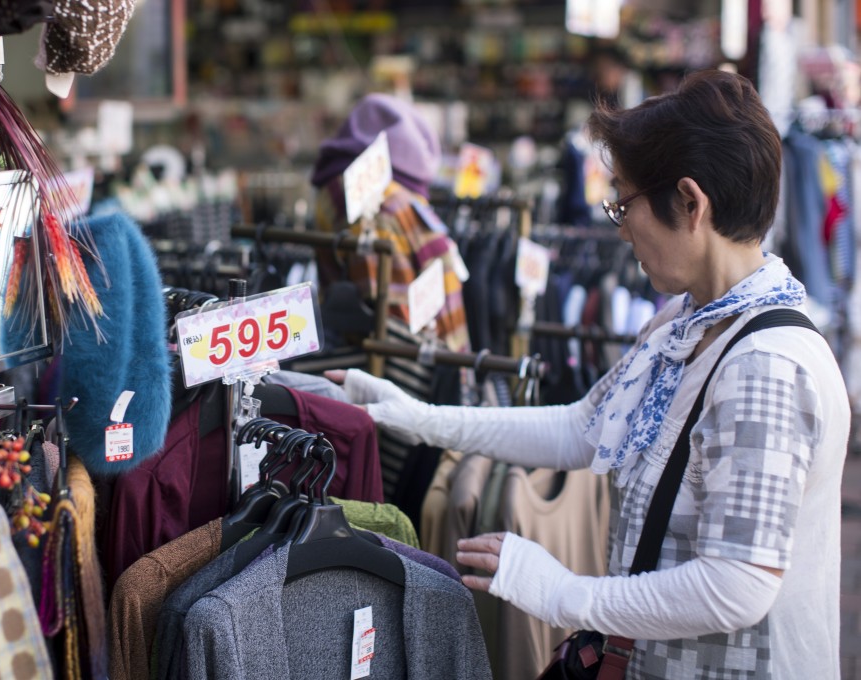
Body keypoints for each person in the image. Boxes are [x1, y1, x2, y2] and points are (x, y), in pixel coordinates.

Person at [328, 70, 849, 679]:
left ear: (690, 202)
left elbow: (738, 583)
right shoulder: (684, 322)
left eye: (624, 203)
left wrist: (562, 592)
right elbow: (583, 427)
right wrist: (419, 418)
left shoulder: (765, 367)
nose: (620, 226)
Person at [310, 92, 471, 352]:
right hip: (406, 365)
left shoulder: (338, 189)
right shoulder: (383, 204)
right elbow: (393, 319)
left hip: (360, 354)